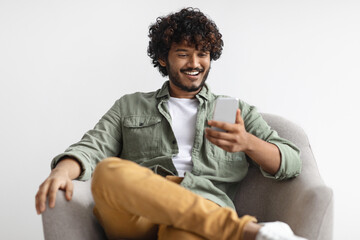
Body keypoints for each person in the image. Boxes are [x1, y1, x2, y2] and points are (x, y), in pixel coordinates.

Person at [36, 7, 307, 240]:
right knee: (108, 171)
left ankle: (233, 229)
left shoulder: (233, 110)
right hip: (138, 214)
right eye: (183, 53)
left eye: (202, 53)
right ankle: (247, 232)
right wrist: (62, 170)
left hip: (204, 206)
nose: (195, 63)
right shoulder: (130, 106)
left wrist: (248, 142)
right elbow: (92, 148)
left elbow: (291, 162)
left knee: (181, 233)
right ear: (163, 58)